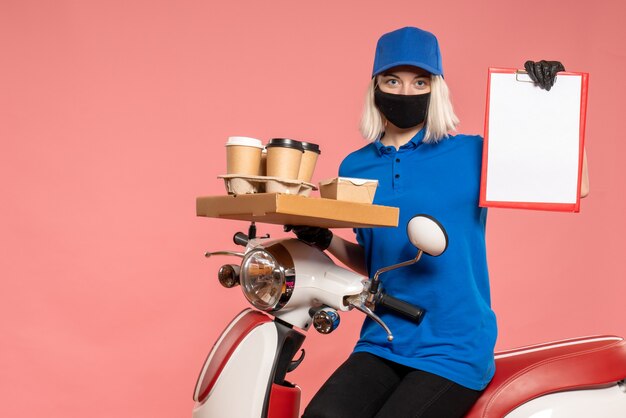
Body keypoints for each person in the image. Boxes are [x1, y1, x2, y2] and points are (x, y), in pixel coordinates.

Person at [292, 27, 589, 418]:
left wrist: (551, 103)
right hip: (384, 338)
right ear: (375, 87)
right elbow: (378, 262)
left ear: (437, 89)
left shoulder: (471, 154)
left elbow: (575, 185)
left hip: (455, 346)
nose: (406, 91)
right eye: (392, 80)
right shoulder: (355, 166)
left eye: (420, 81)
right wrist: (325, 239)